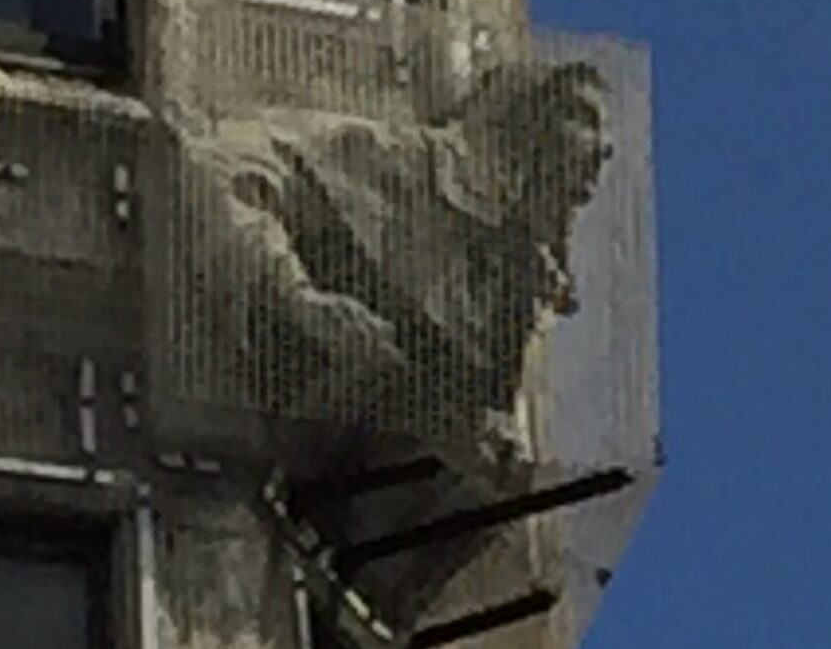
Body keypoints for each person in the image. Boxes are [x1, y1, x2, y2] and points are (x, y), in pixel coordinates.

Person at [196, 56, 610, 447]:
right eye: (583, 117)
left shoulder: (508, 316)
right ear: (521, 134)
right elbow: (236, 157)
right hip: (215, 376)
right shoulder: (404, 167)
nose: (601, 151)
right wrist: (296, 295)